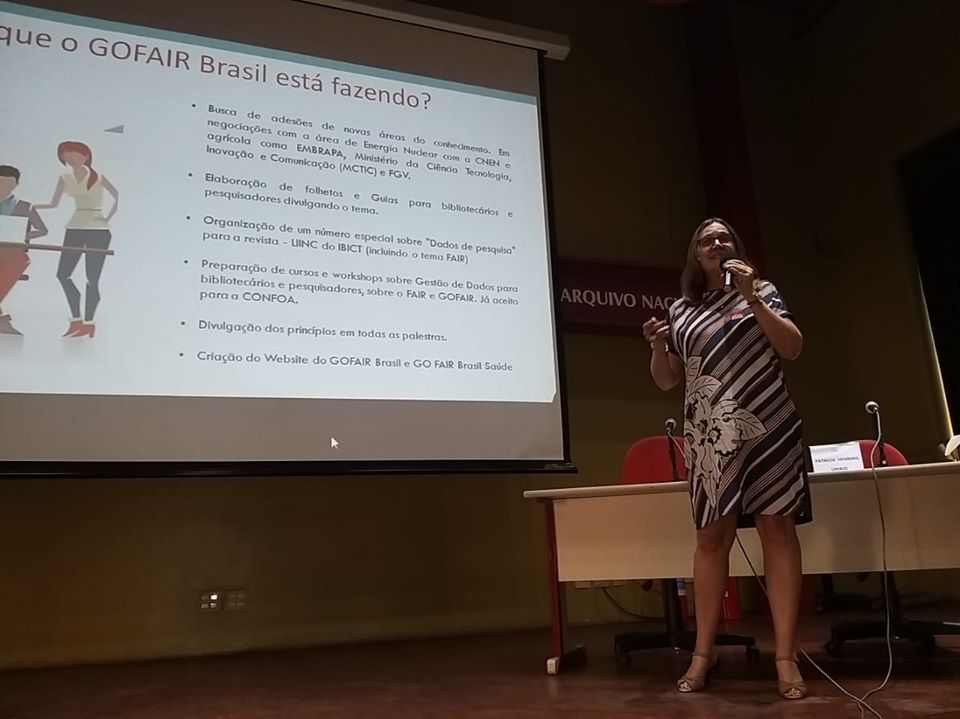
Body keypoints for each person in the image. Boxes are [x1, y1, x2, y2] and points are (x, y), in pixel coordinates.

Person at [643, 217, 810, 700]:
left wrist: (752, 295)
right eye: (707, 240)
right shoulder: (681, 310)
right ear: (696, 255)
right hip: (709, 435)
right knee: (711, 537)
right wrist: (658, 347)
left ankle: (785, 656)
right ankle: (703, 653)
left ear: (736, 249)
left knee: (777, 529)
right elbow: (667, 380)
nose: (717, 244)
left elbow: (792, 347)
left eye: (725, 238)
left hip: (769, 426)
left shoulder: (763, 292)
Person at [35, 141, 118, 338]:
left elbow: (117, 196)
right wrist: (34, 208)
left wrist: (107, 217)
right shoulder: (65, 178)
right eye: (66, 155)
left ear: (85, 155)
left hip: (98, 230)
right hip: (75, 228)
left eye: (74, 154)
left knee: (92, 278)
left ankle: (88, 323)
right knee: (63, 274)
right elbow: (53, 203)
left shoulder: (98, 177)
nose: (70, 158)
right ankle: (76, 320)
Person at [0, 164, 48, 335]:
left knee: (20, 261)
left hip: (13, 251)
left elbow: (43, 230)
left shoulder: (24, 206)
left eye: (8, 183)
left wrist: (23, 235)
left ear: (15, 185)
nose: (3, 187)